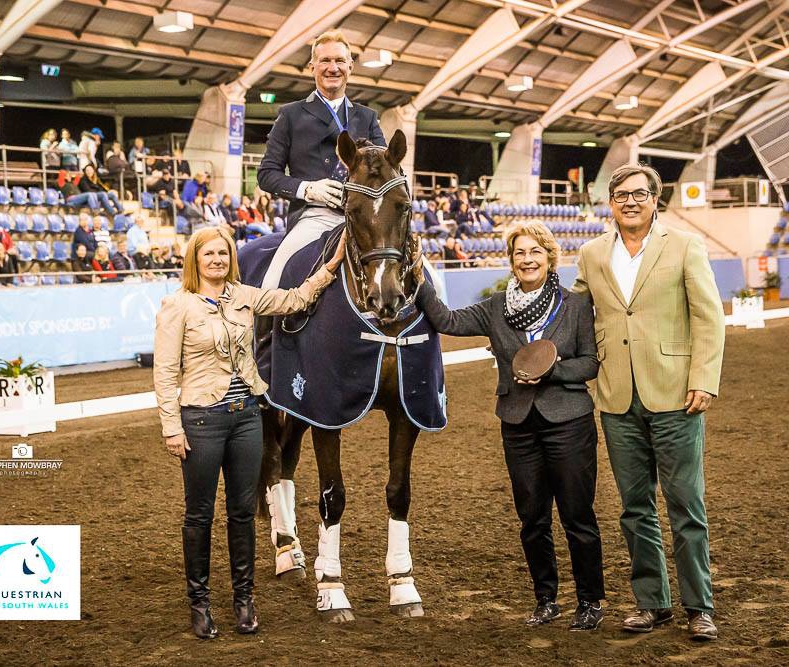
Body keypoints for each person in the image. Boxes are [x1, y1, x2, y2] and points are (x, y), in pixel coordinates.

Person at [153, 226, 346, 639]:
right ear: (196, 261)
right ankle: (199, 603)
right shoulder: (177, 306)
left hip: (246, 419)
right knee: (199, 516)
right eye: (209, 255)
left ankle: (244, 600)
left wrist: (330, 267)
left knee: (242, 514)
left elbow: (293, 299)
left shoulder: (244, 295)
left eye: (223, 254)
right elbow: (166, 373)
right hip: (201, 420)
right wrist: (172, 427)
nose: (218, 261)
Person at [414, 221, 605, 631]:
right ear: (511, 260)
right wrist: (418, 276)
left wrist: (550, 371)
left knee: (577, 515)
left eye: (535, 252)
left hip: (568, 422)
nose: (527, 260)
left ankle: (590, 601)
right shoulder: (495, 306)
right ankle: (546, 599)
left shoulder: (574, 306)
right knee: (532, 518)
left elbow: (590, 362)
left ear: (550, 256)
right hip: (518, 424)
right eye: (520, 253)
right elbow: (447, 320)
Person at [571, 163, 725, 641]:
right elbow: (572, 315)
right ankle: (651, 603)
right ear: (610, 203)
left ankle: (699, 605)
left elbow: (708, 316)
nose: (631, 202)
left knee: (686, 506)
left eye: (639, 194)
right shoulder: (592, 253)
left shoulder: (684, 246)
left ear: (655, 199)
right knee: (634, 508)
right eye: (621, 195)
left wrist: (703, 378)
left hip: (676, 393)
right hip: (617, 397)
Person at [257, 29, 386, 290]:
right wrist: (308, 189)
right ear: (312, 66)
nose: (332, 68)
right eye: (325, 61)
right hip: (315, 216)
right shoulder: (291, 115)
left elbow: (385, 171)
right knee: (271, 286)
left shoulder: (367, 117)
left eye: (339, 61)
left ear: (350, 66)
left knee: (432, 284)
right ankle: (264, 331)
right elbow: (267, 174)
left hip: (365, 219)